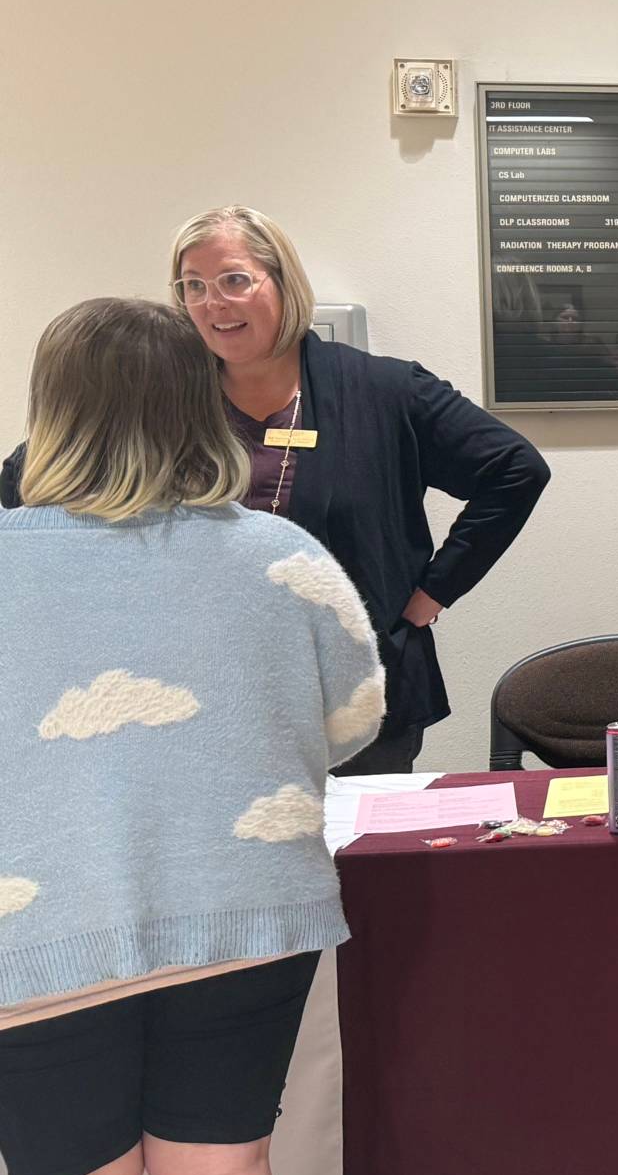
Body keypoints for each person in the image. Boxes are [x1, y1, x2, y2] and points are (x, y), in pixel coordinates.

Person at [0, 298, 386, 1175]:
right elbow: (353, 723)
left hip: (36, 924)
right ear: (198, 407)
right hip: (243, 907)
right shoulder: (280, 557)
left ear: (50, 408)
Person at [1, 206, 550, 775]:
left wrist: (434, 591)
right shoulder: (159, 396)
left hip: (346, 691)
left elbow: (515, 470)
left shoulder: (382, 391)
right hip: (195, 695)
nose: (214, 304)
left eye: (235, 280)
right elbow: (31, 477)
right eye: (193, 287)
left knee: (358, 858)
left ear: (283, 282)